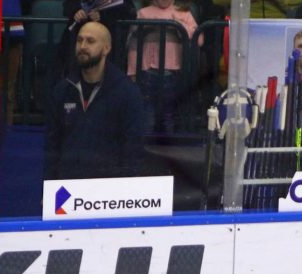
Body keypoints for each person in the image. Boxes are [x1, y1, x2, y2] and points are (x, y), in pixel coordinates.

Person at [44, 20, 144, 180]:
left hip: (107, 188)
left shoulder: (127, 92)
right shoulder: (63, 89)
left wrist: (123, 189)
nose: (82, 46)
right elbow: (52, 146)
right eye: (79, 40)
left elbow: (132, 149)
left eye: (90, 41)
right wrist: (50, 186)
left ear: (106, 48)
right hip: (67, 186)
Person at [127, 0, 199, 132]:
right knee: (147, 114)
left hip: (173, 71)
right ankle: (146, 142)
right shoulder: (143, 13)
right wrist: (132, 70)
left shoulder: (184, 13)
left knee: (169, 114)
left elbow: (199, 39)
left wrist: (180, 26)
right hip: (147, 71)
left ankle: (168, 141)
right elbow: (134, 44)